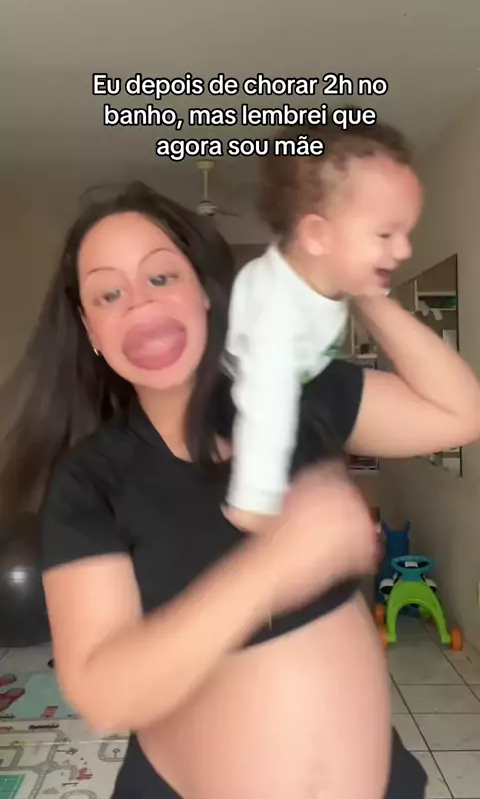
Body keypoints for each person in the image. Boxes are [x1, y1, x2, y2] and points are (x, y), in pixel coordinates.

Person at [1, 181, 479, 799]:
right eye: (109, 293)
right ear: (92, 329)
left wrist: (359, 287)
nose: (140, 303)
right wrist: (273, 565)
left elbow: (459, 414)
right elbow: (103, 693)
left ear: (204, 292)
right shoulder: (91, 480)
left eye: (161, 277)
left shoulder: (296, 391)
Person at [224, 115, 412, 533]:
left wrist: (367, 282)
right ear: (317, 236)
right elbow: (264, 404)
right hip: (245, 402)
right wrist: (256, 496)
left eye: (407, 232)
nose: (404, 250)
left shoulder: (318, 272)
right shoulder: (276, 317)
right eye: (386, 234)